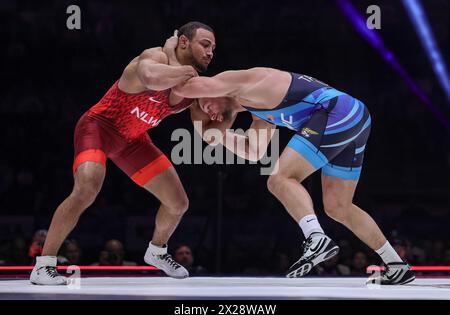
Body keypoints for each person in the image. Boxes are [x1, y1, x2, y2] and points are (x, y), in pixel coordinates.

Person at [173, 67, 415, 285]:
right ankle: (396, 265)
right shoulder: (258, 110)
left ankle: (316, 238)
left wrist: (172, 68)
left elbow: (188, 85)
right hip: (354, 118)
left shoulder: (240, 81)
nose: (210, 114)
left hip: (335, 112)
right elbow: (253, 151)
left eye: (207, 106)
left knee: (279, 178)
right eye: (206, 113)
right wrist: (214, 135)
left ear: (214, 89)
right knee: (338, 207)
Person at [30, 21, 216, 285]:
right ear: (183, 42)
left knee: (178, 203)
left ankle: (157, 251)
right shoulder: (155, 55)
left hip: (132, 140)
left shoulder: (191, 87)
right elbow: (152, 78)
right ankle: (44, 264)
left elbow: (207, 132)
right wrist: (175, 58)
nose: (210, 53)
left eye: (213, 49)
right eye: (205, 45)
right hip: (99, 127)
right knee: (86, 190)